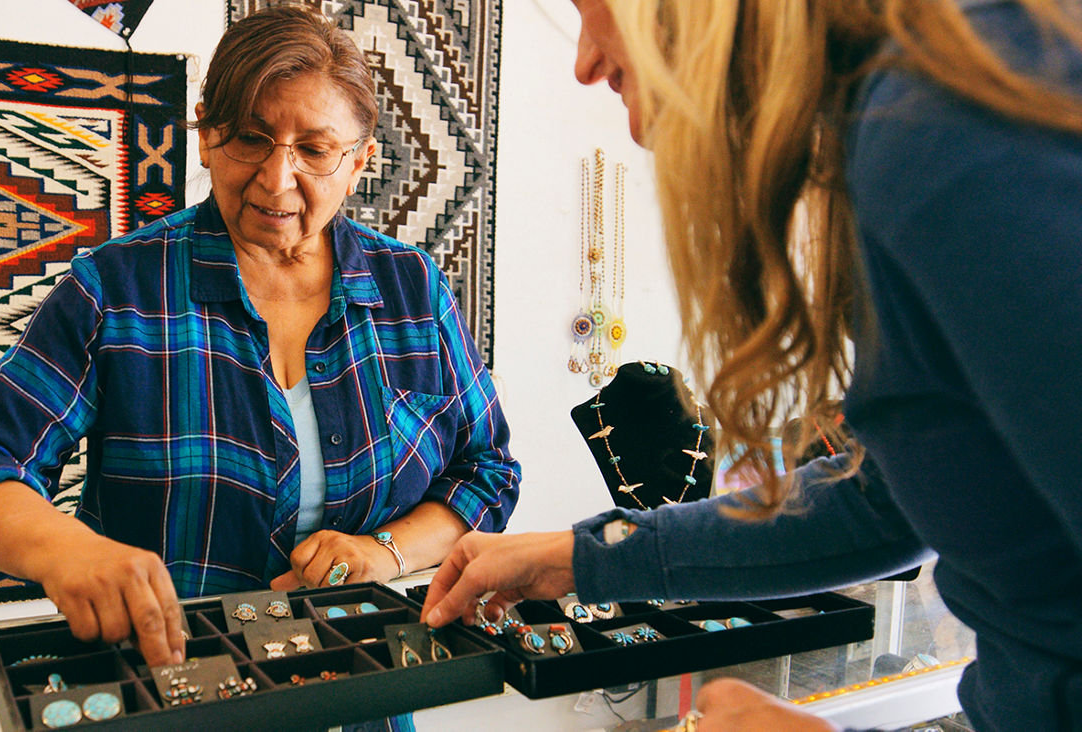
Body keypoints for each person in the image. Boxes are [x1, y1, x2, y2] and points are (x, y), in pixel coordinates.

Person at [422, 1, 1082, 730]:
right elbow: (890, 500)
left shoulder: (940, 133)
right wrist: (582, 558)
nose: (584, 61)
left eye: (592, 7)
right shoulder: (899, 123)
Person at [0, 5, 519, 670]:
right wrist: (67, 549)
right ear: (207, 136)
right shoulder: (118, 289)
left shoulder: (413, 290)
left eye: (313, 150)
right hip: (171, 688)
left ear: (360, 160)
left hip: (362, 686)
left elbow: (485, 471)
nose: (276, 179)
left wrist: (385, 551)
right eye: (251, 139)